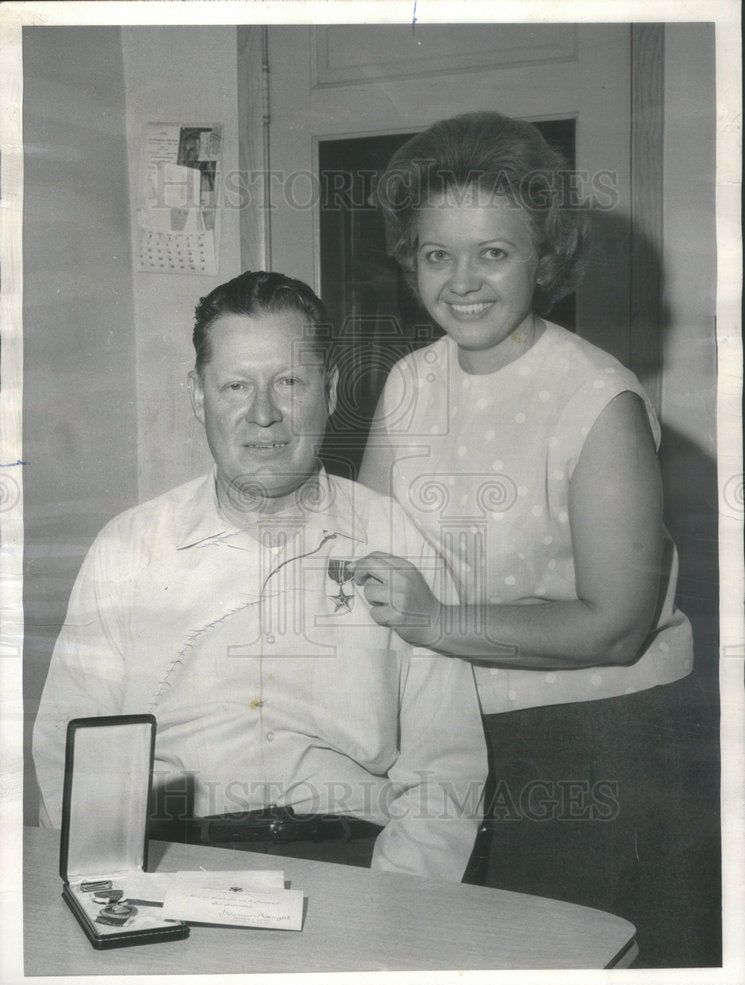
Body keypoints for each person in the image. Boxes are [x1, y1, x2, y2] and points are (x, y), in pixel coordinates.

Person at [32, 270, 487, 882]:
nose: (263, 415)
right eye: (236, 386)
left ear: (328, 391)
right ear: (198, 396)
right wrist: (113, 889)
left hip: (357, 863)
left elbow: (445, 767)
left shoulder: (397, 539)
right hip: (173, 863)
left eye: (291, 382)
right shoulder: (130, 548)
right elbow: (70, 749)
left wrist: (397, 902)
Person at [356, 112, 694, 917]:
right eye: (437, 255)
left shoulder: (595, 397)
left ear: (543, 259)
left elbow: (614, 626)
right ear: (411, 262)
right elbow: (365, 545)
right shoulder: (410, 380)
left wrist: (435, 622)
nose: (461, 281)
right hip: (442, 736)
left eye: (493, 254)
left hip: (590, 742)